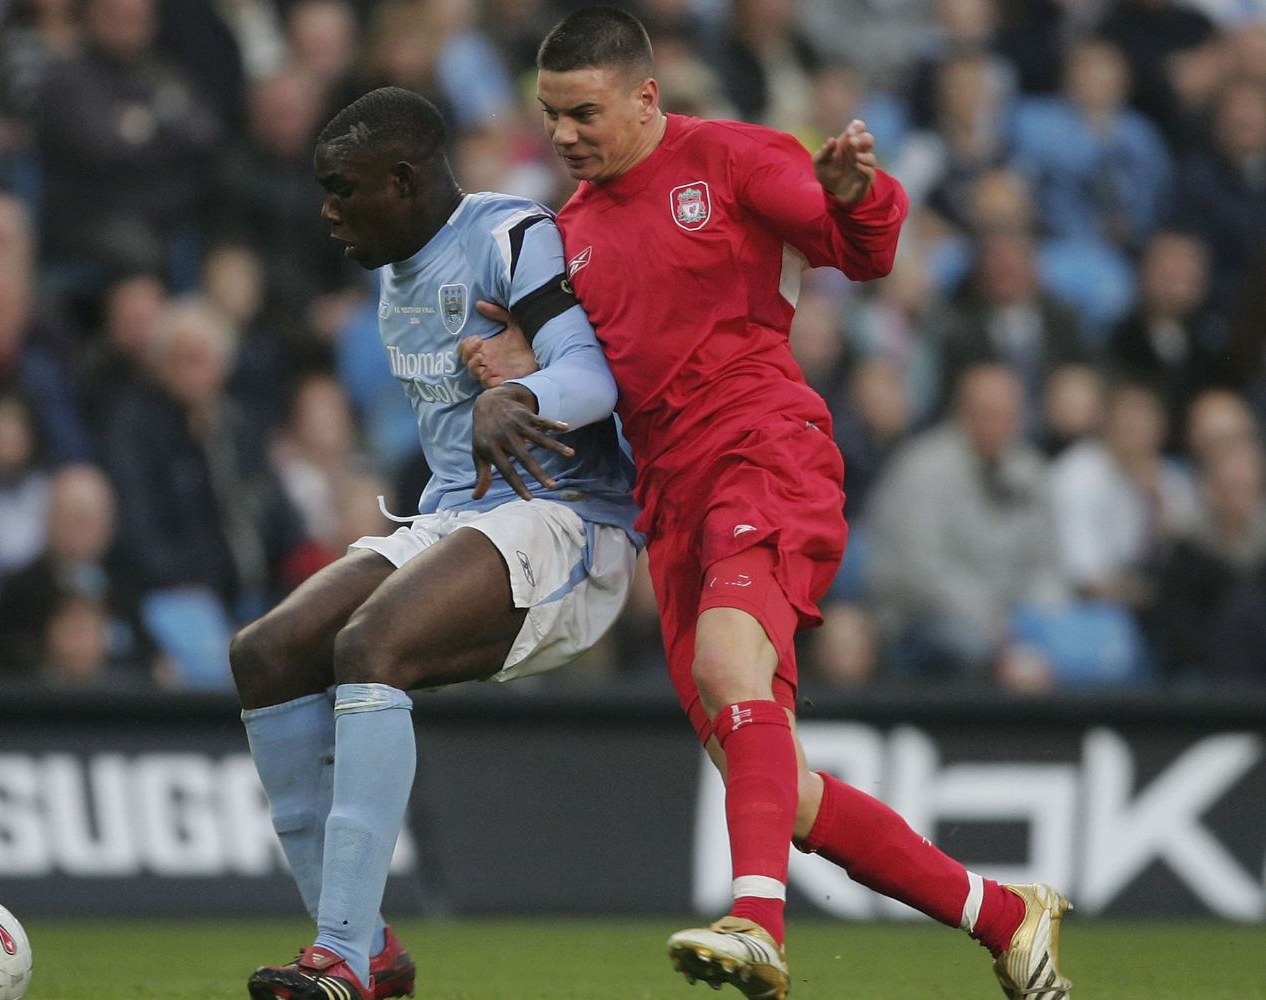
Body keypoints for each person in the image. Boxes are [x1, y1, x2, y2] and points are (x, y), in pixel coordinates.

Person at [462, 7, 1072, 998]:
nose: (564, 133)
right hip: (670, 501)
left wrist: (857, 194)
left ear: (647, 96)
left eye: (583, 111)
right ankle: (1008, 915)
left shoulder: (735, 158)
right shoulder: (566, 231)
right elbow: (582, 374)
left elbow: (861, 248)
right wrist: (514, 361)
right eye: (550, 114)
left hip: (764, 450)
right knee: (779, 789)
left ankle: (756, 922)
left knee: (724, 661)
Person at [228, 87, 641, 1000]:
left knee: (370, 646)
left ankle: (339, 959)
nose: (328, 211)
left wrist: (520, 396)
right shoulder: (392, 277)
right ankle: (367, 947)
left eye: (343, 190)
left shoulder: (511, 236)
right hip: (457, 518)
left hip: (570, 522)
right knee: (266, 654)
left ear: (404, 180)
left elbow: (593, 373)